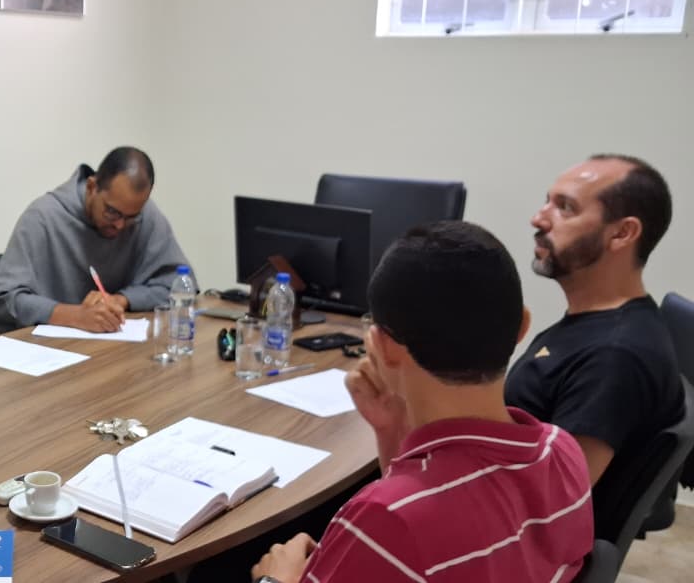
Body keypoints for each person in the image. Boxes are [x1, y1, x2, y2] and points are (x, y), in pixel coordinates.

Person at [251, 221, 593, 583]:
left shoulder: (383, 519)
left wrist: (275, 580)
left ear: (381, 346)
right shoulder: (563, 451)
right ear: (521, 326)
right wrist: (390, 432)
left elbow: (407, 521)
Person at [505, 153, 683, 534]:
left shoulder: (613, 357)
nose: (538, 219)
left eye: (565, 208)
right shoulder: (595, 323)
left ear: (622, 233)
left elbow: (550, 506)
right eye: (547, 201)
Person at [0, 146, 192, 337]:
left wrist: (122, 300)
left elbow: (181, 285)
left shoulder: (142, 215)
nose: (120, 225)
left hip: (104, 348)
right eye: (112, 212)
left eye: (131, 218)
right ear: (92, 187)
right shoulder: (43, 217)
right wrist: (75, 315)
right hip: (39, 350)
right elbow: (4, 301)